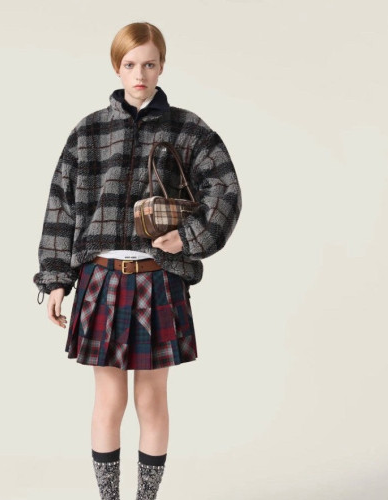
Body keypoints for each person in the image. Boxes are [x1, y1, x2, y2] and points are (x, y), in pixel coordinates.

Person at [33, 21, 241, 500]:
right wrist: (56, 279)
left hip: (158, 279)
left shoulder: (188, 129)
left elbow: (226, 191)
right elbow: (62, 206)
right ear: (117, 67)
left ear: (162, 66)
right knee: (108, 401)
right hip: (101, 278)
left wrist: (188, 238)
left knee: (152, 399)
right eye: (130, 64)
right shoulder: (89, 131)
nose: (140, 73)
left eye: (149, 64)